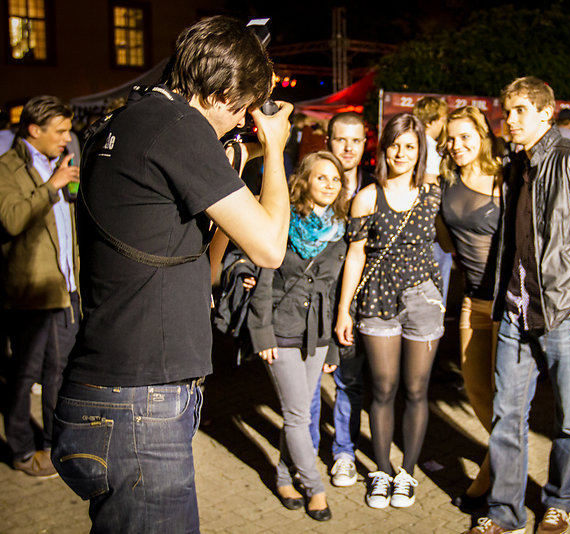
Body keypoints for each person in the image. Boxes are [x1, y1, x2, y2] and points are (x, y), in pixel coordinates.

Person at [50, 16, 292, 532]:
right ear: (224, 94)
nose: (242, 122)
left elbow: (202, 269)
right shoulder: (180, 127)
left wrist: (230, 173)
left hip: (113, 394)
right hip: (139, 406)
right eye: (244, 109)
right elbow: (271, 247)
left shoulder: (131, 121)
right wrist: (275, 148)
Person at [462, 76, 570, 534]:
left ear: (547, 112)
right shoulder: (514, 164)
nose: (510, 119)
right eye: (507, 111)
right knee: (506, 417)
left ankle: (560, 501)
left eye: (520, 110)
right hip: (516, 312)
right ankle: (505, 513)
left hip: (568, 312)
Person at [335, 112, 444, 509]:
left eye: (410, 146)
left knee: (416, 389)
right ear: (383, 149)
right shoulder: (368, 196)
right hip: (377, 300)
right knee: (383, 387)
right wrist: (343, 310)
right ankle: (381, 470)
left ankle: (407, 473)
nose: (401, 153)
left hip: (423, 300)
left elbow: (454, 236)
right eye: (395, 145)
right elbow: (355, 256)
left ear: (420, 151)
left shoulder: (433, 193)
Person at [245, 151, 348, 522]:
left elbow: (333, 292)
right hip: (281, 329)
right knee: (297, 415)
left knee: (298, 413)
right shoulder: (283, 220)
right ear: (305, 180)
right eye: (322, 177)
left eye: (335, 179)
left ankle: (284, 477)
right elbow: (264, 279)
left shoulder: (340, 229)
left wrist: (332, 346)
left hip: (317, 335)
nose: (329, 185)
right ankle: (315, 488)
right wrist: (262, 333)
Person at [0, 95, 80, 478]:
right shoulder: (6, 168)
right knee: (23, 374)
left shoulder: (57, 164)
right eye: (60, 131)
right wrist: (52, 186)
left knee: (58, 373)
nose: (67, 137)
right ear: (34, 129)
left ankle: (52, 445)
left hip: (65, 288)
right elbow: (12, 220)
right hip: (31, 294)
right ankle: (20, 450)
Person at [438, 106, 503, 511]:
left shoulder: (504, 180)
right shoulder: (447, 181)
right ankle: (504, 457)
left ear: (483, 135)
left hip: (507, 304)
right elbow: (447, 243)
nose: (456, 145)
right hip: (472, 299)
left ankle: (491, 476)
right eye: (451, 138)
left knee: (505, 396)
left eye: (465, 136)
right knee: (477, 389)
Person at [311, 111, 375, 488]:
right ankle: (307, 453)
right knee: (311, 382)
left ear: (365, 144)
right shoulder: (312, 184)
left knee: (349, 381)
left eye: (356, 140)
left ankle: (345, 453)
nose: (348, 147)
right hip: (315, 302)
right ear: (328, 142)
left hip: (357, 302)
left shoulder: (376, 189)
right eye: (340, 139)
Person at [413, 96, 453, 308]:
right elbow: (429, 186)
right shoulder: (431, 150)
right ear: (432, 121)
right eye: (443, 119)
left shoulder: (414, 144)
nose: (444, 124)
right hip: (432, 228)